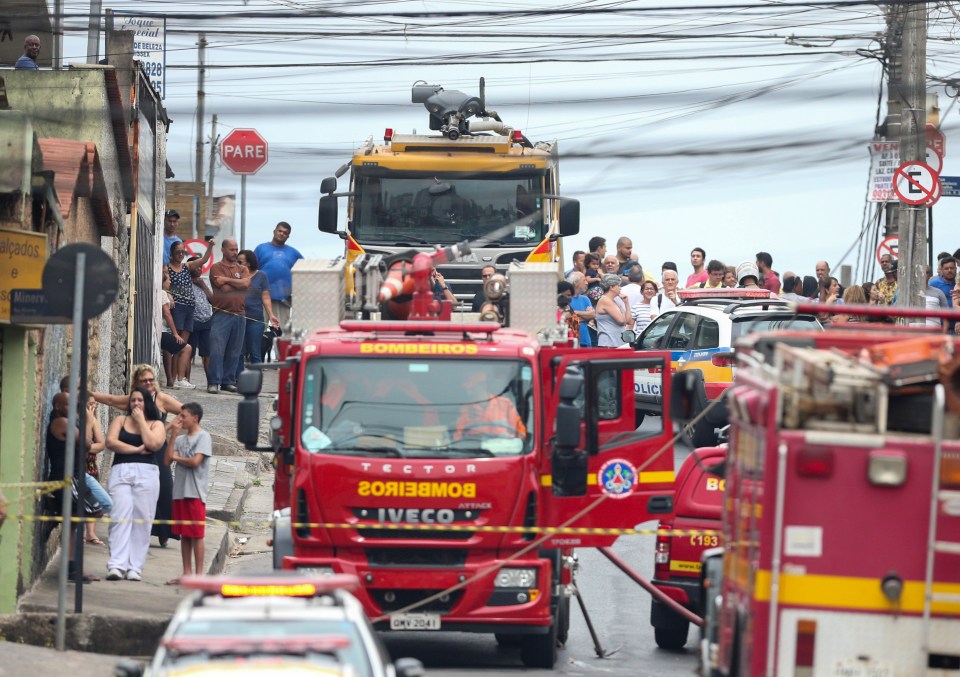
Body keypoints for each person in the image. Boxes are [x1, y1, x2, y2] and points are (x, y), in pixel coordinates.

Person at [93, 364, 182, 548]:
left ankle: (164, 532)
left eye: (151, 379)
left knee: (165, 488)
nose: (149, 383)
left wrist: (168, 428)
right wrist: (90, 395)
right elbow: (110, 399)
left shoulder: (162, 399)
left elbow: (187, 412)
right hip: (136, 448)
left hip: (158, 449)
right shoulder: (134, 400)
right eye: (144, 380)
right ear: (136, 382)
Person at [105, 387, 166, 581]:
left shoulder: (156, 424)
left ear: (147, 403)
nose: (136, 404)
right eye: (133, 401)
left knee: (142, 519)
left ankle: (134, 567)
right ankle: (116, 565)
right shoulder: (120, 420)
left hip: (147, 473)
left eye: (140, 400)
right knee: (119, 517)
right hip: (121, 470)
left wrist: (140, 421)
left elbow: (154, 444)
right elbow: (111, 442)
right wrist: (136, 449)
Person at [46, 392, 102, 582]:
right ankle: (72, 567)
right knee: (89, 512)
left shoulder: (71, 422)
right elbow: (87, 442)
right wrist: (87, 420)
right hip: (67, 479)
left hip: (76, 478)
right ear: (58, 407)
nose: (73, 408)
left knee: (79, 520)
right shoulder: (61, 423)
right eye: (68, 405)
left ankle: (73, 567)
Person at [164, 403, 212, 585]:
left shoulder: (203, 437)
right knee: (184, 534)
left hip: (195, 493)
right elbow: (167, 460)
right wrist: (173, 435)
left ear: (195, 418)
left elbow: (195, 462)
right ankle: (187, 573)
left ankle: (199, 575)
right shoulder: (180, 439)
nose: (180, 419)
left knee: (197, 534)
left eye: (183, 416)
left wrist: (176, 457)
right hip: (180, 492)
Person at [208, 239, 250, 394]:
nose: (235, 252)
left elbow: (246, 285)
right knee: (217, 349)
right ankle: (214, 381)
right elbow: (224, 289)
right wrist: (235, 283)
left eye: (236, 249)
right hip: (222, 313)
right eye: (232, 249)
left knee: (235, 350)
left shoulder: (243, 268)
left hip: (240, 314)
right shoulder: (216, 268)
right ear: (223, 250)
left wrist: (227, 280)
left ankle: (228, 381)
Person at [237, 250, 279, 380]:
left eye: (240, 262)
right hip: (239, 317)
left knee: (255, 351)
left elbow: (265, 297)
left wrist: (271, 315)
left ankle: (257, 381)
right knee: (239, 351)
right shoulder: (236, 275)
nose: (237, 264)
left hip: (255, 319)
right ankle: (238, 380)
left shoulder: (261, 276)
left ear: (248, 263)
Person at [254, 222, 303, 330]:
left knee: (283, 331)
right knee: (258, 329)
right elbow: (251, 270)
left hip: (283, 298)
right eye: (279, 231)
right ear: (274, 231)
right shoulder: (260, 249)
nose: (282, 234)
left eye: (285, 233)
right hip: (261, 297)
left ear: (288, 236)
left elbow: (303, 272)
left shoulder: (294, 253)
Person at [454, 373, 526, 441]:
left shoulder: (505, 404)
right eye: (467, 389)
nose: (469, 393)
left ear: (483, 386)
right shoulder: (466, 409)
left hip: (503, 452)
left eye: (472, 388)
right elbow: (458, 437)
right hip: (477, 452)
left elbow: (521, 432)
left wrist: (512, 441)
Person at [159, 266, 194, 390]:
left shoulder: (161, 292)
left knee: (168, 351)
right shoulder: (162, 293)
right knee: (187, 348)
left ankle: (170, 379)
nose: (170, 282)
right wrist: (175, 333)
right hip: (162, 332)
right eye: (167, 280)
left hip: (160, 332)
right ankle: (179, 379)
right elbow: (167, 314)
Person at [186, 257, 214, 384]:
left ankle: (211, 382)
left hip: (207, 320)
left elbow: (214, 300)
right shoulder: (185, 281)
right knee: (189, 352)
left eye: (201, 266)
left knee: (207, 353)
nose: (199, 269)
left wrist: (203, 286)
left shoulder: (206, 281)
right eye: (196, 266)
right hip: (191, 320)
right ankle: (186, 380)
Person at [595, 274, 635, 346]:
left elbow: (629, 321)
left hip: (618, 343)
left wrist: (626, 303)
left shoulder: (615, 302)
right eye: (618, 285)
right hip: (608, 343)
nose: (620, 288)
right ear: (612, 287)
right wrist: (624, 319)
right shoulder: (605, 300)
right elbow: (621, 321)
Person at [566, 272, 595, 347]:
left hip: (586, 340)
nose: (586, 282)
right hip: (571, 341)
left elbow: (592, 315)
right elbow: (566, 317)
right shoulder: (565, 299)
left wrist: (575, 312)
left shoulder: (585, 299)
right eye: (584, 280)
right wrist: (585, 316)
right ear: (575, 283)